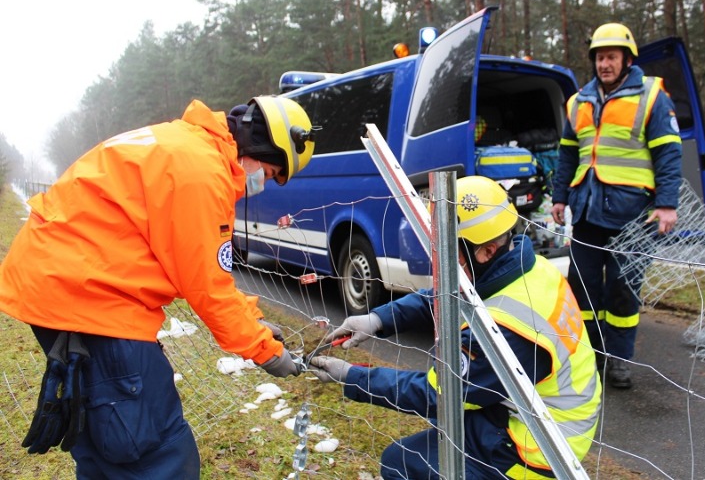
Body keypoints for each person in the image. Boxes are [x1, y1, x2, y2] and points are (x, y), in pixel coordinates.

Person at [0, 96, 317, 478]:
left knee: (104, 435)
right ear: (263, 147)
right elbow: (206, 285)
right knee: (157, 452)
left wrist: (255, 320)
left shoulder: (180, 144)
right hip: (95, 302)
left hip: (63, 288)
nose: (262, 185)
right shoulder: (201, 172)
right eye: (268, 173)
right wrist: (264, 350)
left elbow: (202, 270)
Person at [309, 175, 601, 480]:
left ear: (486, 250)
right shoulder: (527, 268)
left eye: (451, 251)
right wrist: (378, 319)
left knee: (401, 462)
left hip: (536, 451)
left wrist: (351, 377)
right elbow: (447, 296)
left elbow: (438, 394)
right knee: (435, 438)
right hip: (531, 415)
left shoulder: (509, 329)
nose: (441, 261)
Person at [550, 22, 682, 389]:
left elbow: (669, 153)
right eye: (599, 57)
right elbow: (567, 156)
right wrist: (560, 197)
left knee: (623, 289)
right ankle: (592, 356)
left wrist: (667, 204)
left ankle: (620, 360)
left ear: (626, 59)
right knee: (583, 288)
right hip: (588, 212)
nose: (604, 64)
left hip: (633, 215)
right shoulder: (578, 101)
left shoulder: (652, 95)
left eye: (611, 57)